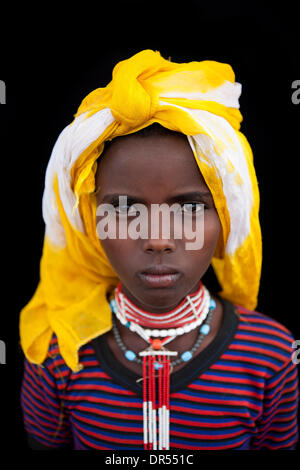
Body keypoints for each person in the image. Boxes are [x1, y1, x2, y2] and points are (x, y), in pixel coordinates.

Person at [19, 50, 298, 450]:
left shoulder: (272, 356)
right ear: (88, 223)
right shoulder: (55, 355)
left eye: (189, 208)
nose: (158, 239)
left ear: (228, 219)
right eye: (123, 208)